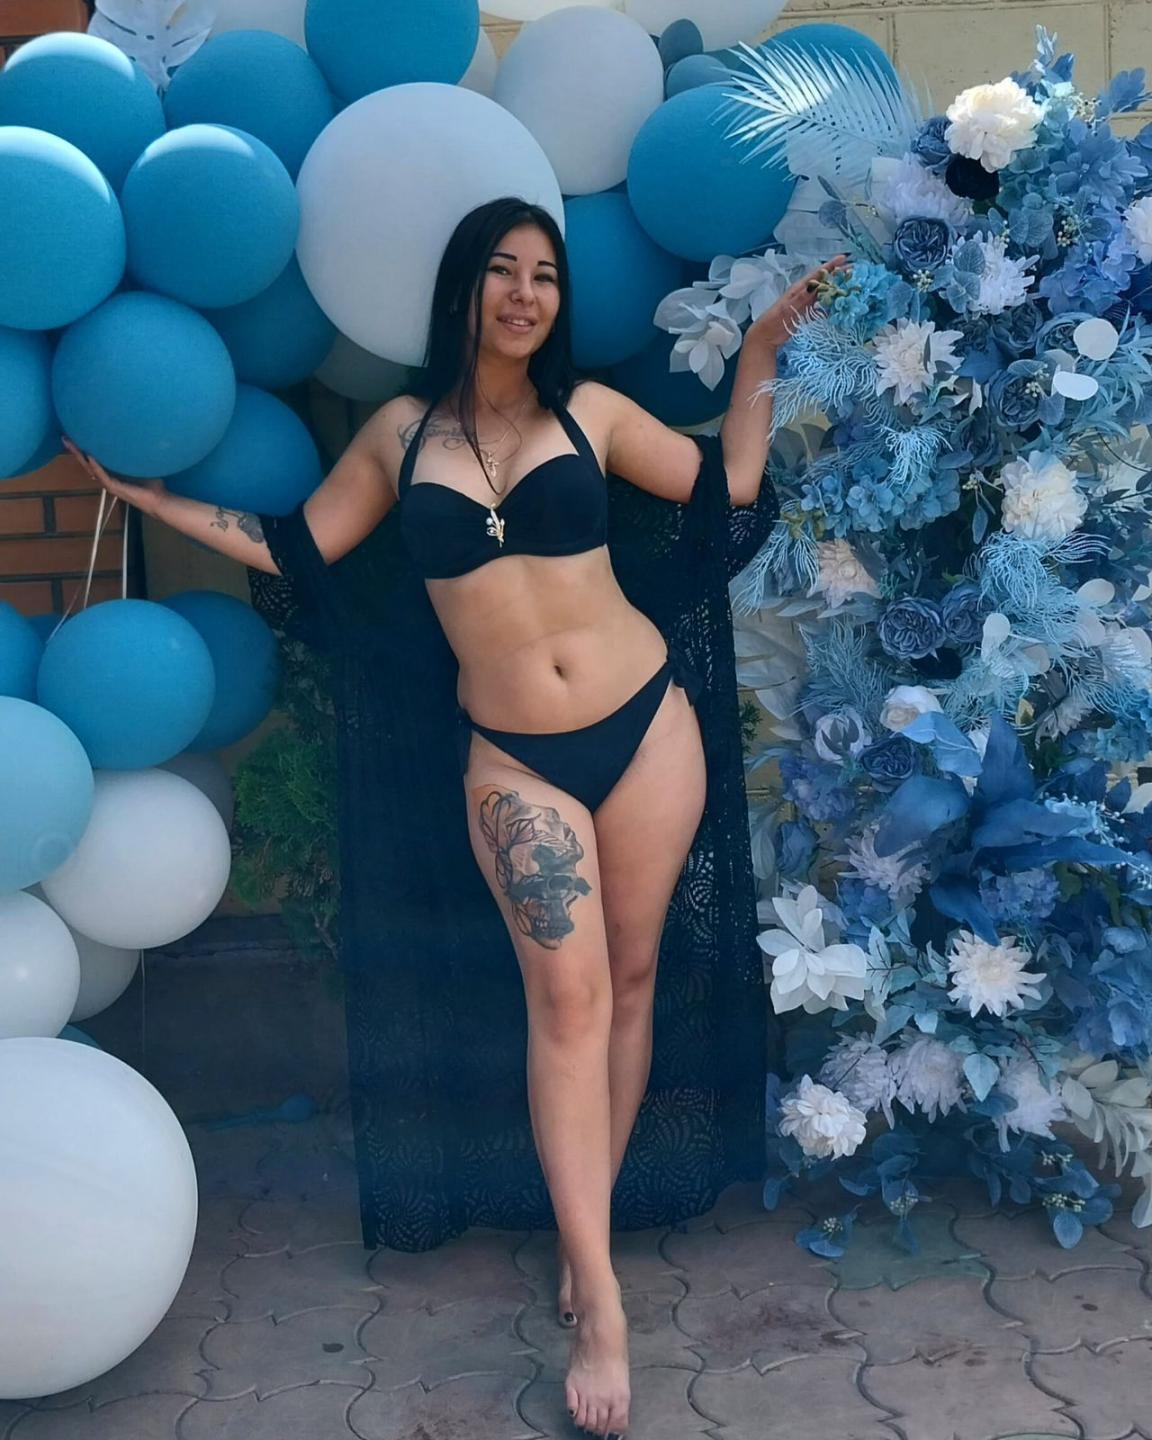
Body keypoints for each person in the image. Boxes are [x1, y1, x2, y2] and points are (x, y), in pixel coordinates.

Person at [70, 197, 842, 1440]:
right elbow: (304, 550)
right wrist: (157, 506)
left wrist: (759, 354)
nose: (526, 294)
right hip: (515, 761)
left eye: (546, 275)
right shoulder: (397, 436)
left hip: (646, 726)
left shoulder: (593, 416)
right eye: (503, 270)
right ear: (465, 289)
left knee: (631, 980)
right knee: (566, 1001)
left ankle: (588, 1243)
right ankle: (600, 1303)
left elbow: (728, 485)